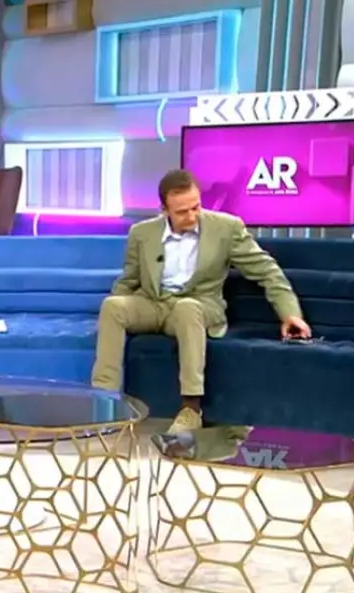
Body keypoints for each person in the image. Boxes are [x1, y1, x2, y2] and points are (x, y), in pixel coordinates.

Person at [91, 169, 309, 434]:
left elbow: (267, 271)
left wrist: (290, 314)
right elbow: (129, 280)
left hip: (199, 305)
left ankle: (191, 409)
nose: (192, 216)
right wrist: (113, 308)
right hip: (155, 303)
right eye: (182, 212)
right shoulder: (142, 233)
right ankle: (104, 403)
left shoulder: (226, 228)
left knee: (187, 308)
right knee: (113, 306)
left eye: (196, 207)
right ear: (164, 210)